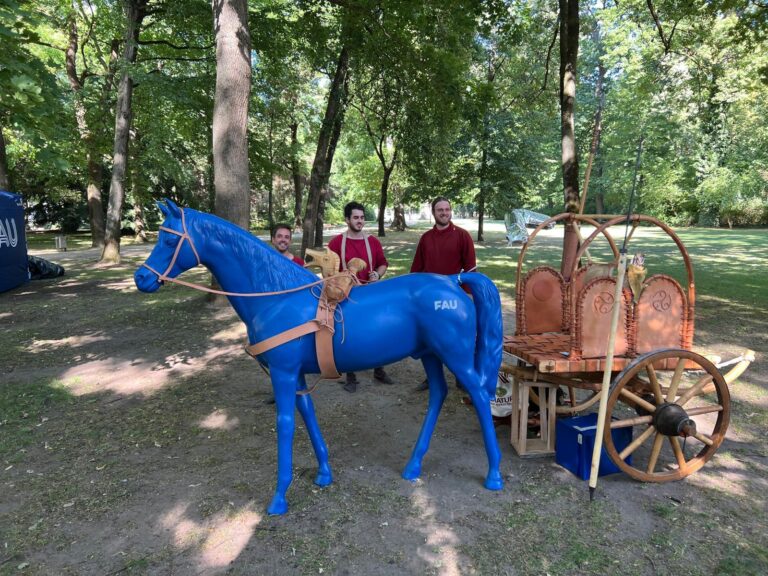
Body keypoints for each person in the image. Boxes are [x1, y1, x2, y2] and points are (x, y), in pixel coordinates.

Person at [410, 197, 477, 391]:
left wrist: (468, 295)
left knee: (458, 337)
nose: (444, 213)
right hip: (430, 297)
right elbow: (416, 270)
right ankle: (433, 377)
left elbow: (470, 270)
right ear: (434, 213)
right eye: (440, 210)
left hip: (454, 296)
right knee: (431, 337)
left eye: (447, 209)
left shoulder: (462, 236)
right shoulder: (426, 238)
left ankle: (461, 376)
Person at [328, 201, 394, 392]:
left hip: (369, 294)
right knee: (347, 334)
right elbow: (329, 271)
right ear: (347, 219)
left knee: (378, 330)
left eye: (362, 217)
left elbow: (383, 263)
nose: (360, 221)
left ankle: (379, 370)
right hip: (346, 297)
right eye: (355, 217)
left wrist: (377, 275)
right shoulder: (336, 243)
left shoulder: (372, 241)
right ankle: (351, 376)